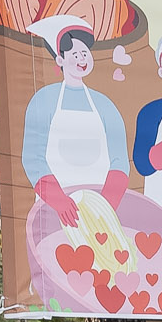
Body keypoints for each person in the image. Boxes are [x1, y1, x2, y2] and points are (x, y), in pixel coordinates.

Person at [23, 17, 130, 228]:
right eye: (75, 54)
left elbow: (120, 161)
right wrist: (60, 202)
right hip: (52, 212)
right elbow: (33, 159)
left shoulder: (104, 104)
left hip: (101, 216)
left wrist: (105, 206)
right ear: (60, 60)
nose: (82, 59)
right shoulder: (44, 100)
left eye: (85, 53)